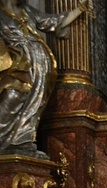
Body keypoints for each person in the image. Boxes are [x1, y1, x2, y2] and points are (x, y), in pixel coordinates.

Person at [0, 0, 92, 155]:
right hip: (17, 66)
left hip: (40, 68)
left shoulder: (26, 10)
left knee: (34, 104)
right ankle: (4, 141)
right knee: (12, 98)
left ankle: (22, 141)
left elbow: (52, 21)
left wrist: (79, 9)